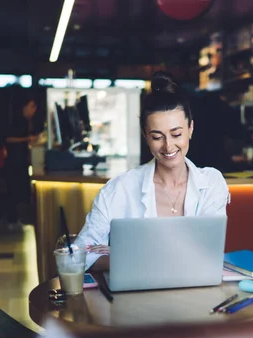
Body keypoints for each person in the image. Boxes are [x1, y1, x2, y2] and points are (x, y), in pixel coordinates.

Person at [76, 71, 230, 271]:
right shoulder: (119, 189)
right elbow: (80, 253)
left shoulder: (211, 183)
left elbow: (208, 252)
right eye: (157, 137)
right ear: (145, 136)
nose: (168, 146)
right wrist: (140, 262)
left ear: (191, 128)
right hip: (135, 299)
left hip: (198, 296)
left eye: (176, 134)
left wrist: (138, 256)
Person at [0, 96, 41, 232]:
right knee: (13, 191)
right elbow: (7, 138)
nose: (34, 110)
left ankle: (11, 220)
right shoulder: (16, 121)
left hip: (21, 160)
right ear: (24, 107)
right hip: (13, 161)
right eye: (31, 106)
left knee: (14, 191)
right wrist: (27, 139)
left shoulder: (28, 121)